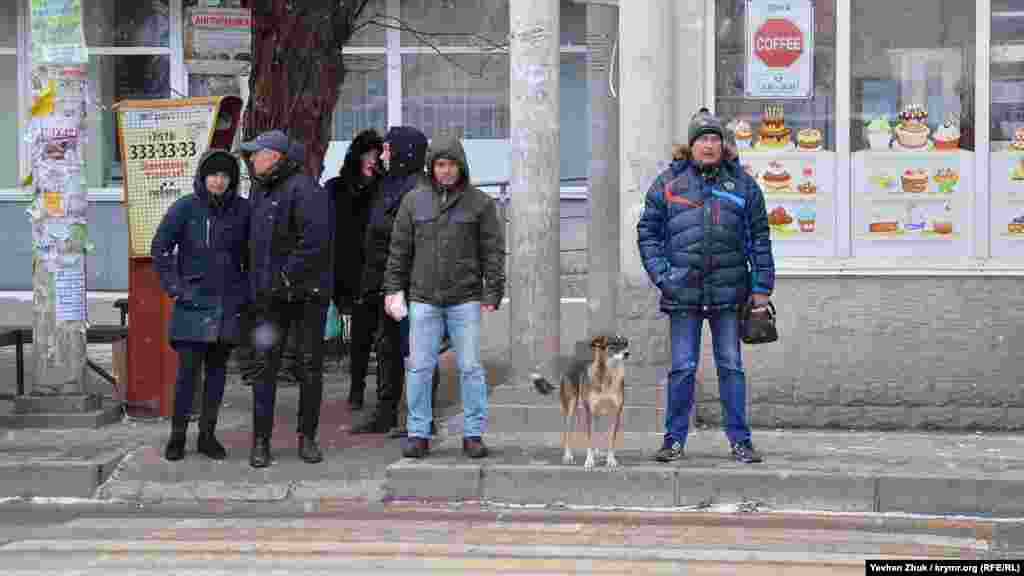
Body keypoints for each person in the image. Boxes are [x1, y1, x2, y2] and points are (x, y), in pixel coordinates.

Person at [637, 108, 775, 465]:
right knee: (682, 367)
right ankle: (673, 441)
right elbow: (647, 232)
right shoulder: (668, 183)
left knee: (731, 366)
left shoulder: (743, 185)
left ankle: (740, 442)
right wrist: (663, 276)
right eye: (702, 139)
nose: (709, 145)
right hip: (682, 294)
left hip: (730, 294)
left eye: (715, 138)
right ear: (691, 145)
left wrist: (762, 289)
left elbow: (760, 238)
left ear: (723, 145)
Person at [384, 134, 506, 459]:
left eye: (451, 164)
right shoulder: (414, 202)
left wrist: (492, 290)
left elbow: (492, 252)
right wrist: (393, 289)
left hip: (464, 298)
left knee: (470, 368)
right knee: (420, 367)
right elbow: (399, 251)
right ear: (431, 167)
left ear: (461, 167)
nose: (446, 171)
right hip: (423, 298)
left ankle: (473, 433)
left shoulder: (480, 203)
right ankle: (418, 433)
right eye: (440, 164)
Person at [151, 149, 250, 462]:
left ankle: (208, 435)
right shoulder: (185, 208)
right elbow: (160, 249)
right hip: (193, 304)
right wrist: (176, 289)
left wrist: (245, 291)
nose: (218, 181)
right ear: (202, 177)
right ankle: (177, 436)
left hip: (227, 304)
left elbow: (254, 254)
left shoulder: (242, 210)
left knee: (218, 374)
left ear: (232, 179)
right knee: (187, 375)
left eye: (224, 175)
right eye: (213, 174)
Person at [241, 130, 330, 468]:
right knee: (265, 367)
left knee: (309, 366)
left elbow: (314, 243)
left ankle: (308, 438)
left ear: (275, 157)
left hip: (307, 296)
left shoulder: (306, 189)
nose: (250, 160)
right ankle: (260, 442)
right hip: (269, 299)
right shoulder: (259, 190)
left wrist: (282, 277)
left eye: (256, 154)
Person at [350, 126, 429, 435]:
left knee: (418, 349)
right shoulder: (389, 184)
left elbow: (414, 241)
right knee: (388, 347)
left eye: (387, 150)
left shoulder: (418, 190)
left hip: (410, 284)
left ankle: (421, 417)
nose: (381, 155)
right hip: (388, 281)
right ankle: (386, 411)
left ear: (403, 153)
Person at [324, 129, 384, 412]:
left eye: (376, 154)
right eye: (367, 153)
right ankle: (356, 388)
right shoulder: (336, 187)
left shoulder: (385, 186)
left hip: (379, 268)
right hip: (348, 270)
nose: (372, 159)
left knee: (381, 335)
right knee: (359, 334)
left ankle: (382, 391)